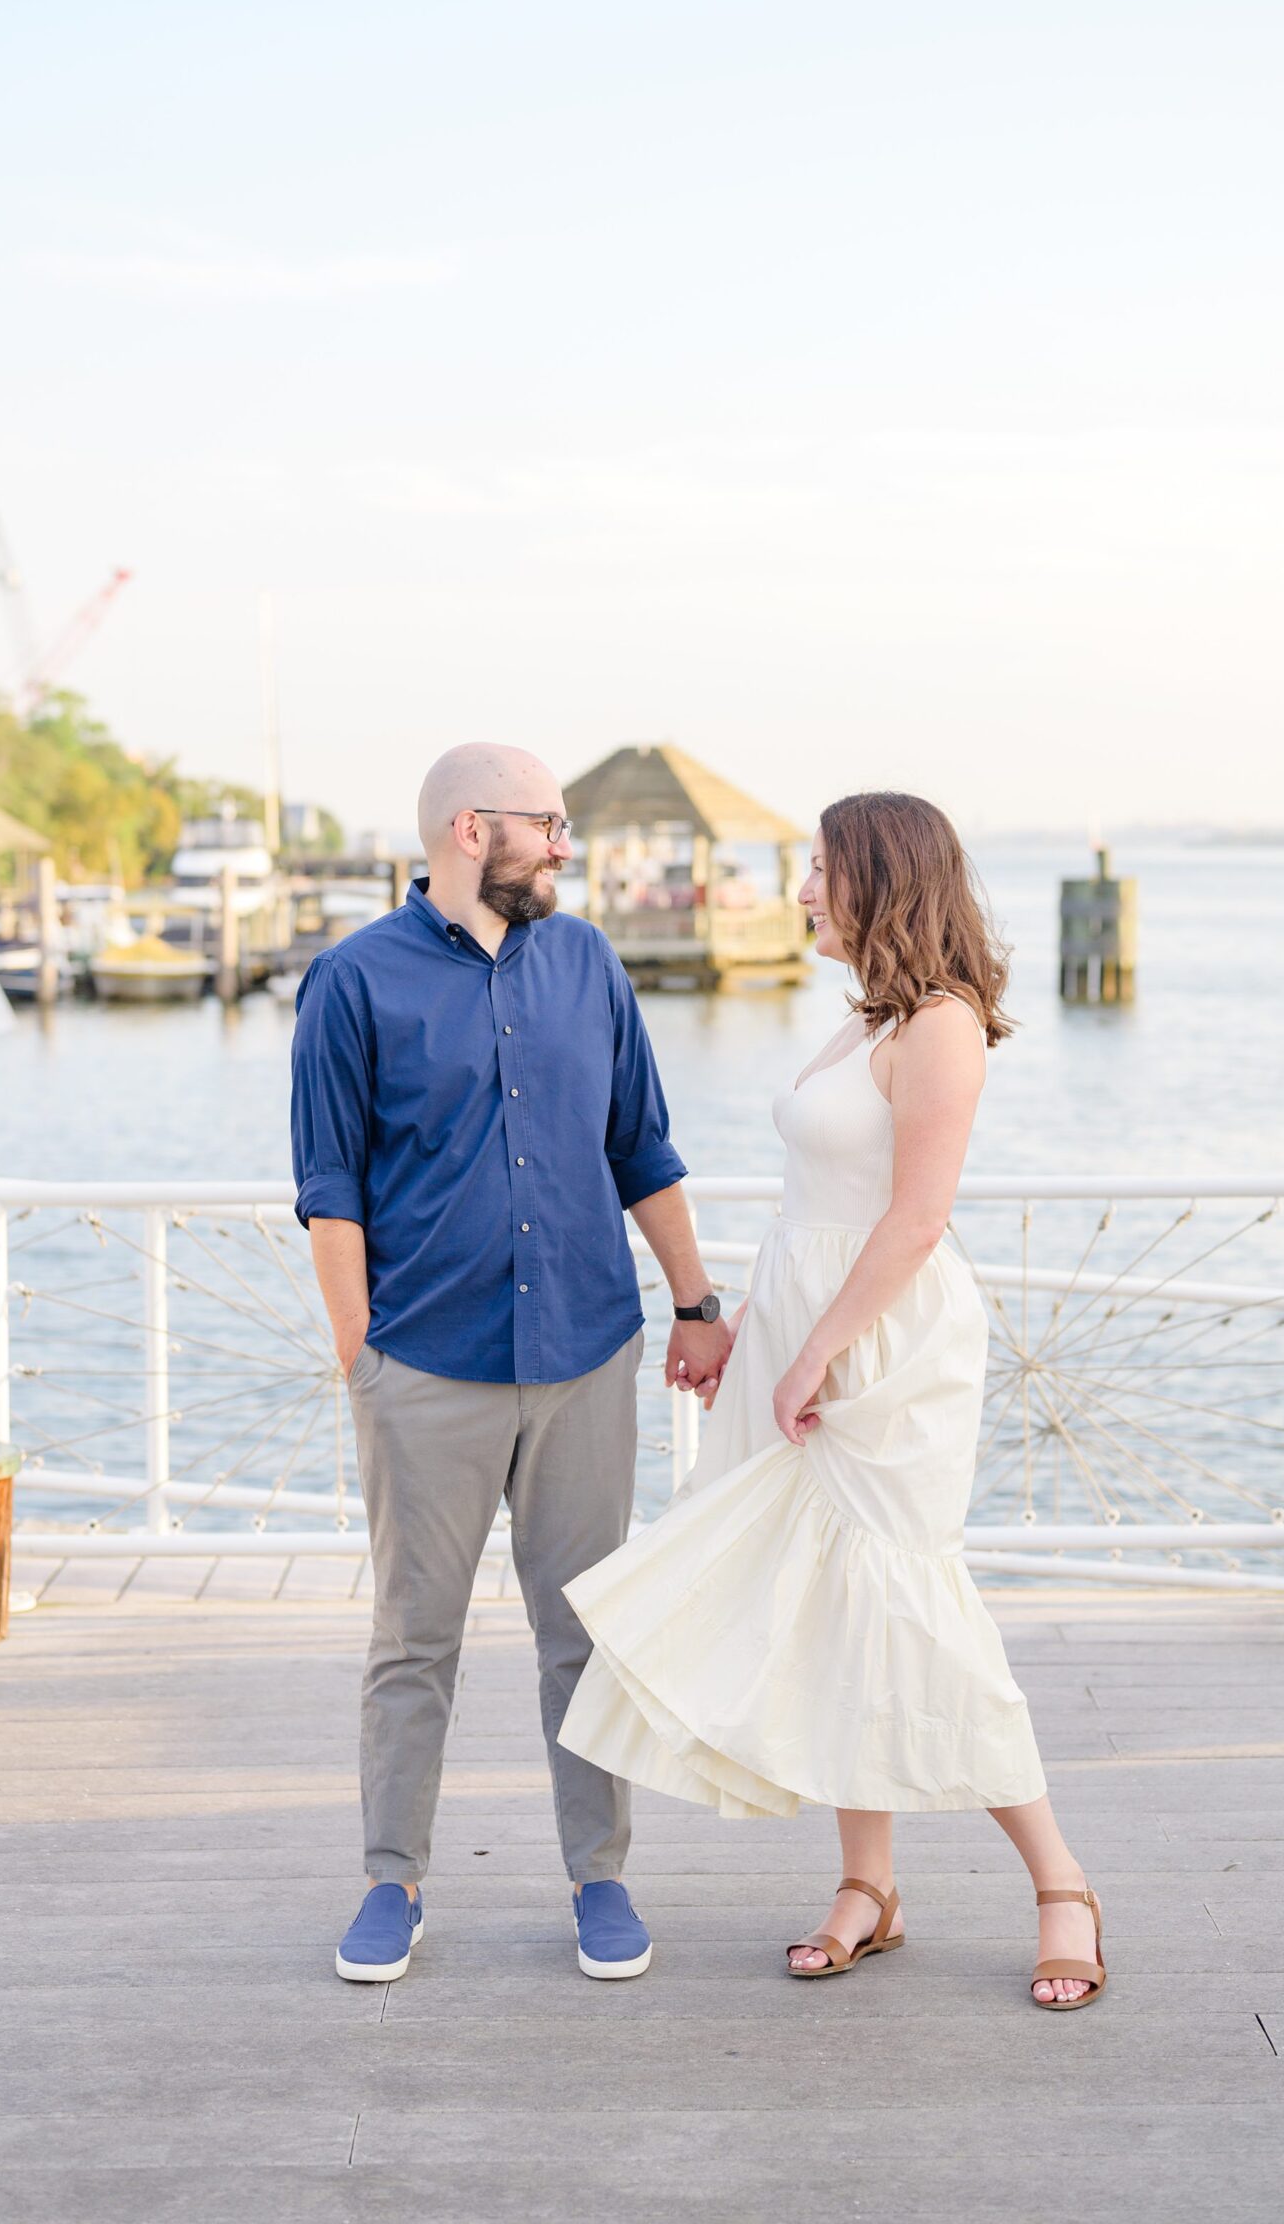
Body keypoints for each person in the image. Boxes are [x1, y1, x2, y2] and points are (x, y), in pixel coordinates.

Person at [559, 791, 1108, 2007]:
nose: (800, 889)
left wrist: (813, 1354)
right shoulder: (863, 1015)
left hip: (886, 1347)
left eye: (818, 869)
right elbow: (820, 1209)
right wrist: (750, 1326)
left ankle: (1059, 1881)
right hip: (809, 1327)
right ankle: (870, 1884)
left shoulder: (942, 1027)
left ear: (879, 879)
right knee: (830, 1605)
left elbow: (912, 1220)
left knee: (908, 1601)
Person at [291, 743, 732, 1985]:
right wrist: (357, 1357)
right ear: (472, 829)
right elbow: (330, 1192)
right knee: (412, 1637)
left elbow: (639, 1142)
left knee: (584, 1634)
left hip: (585, 1348)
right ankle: (393, 1881)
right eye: (551, 824)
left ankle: (600, 1877)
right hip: (424, 1364)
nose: (566, 846)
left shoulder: (587, 961)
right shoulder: (351, 981)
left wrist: (694, 1300)